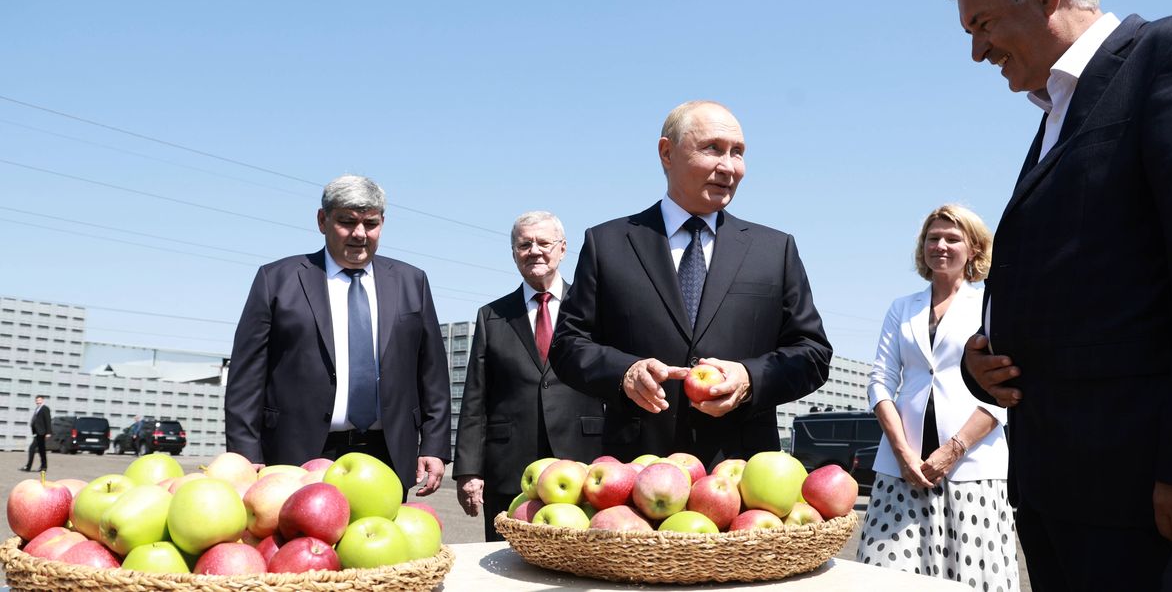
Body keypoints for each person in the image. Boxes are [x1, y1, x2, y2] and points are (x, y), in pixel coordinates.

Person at [943, 0, 1172, 589]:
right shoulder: (1055, 113)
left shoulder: (1171, 54)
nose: (976, 51)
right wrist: (982, 362)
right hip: (1057, 490)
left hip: (1141, 495)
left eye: (982, 24)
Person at [551, 100, 832, 466]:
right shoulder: (607, 244)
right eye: (713, 148)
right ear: (667, 153)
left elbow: (812, 353)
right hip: (637, 472)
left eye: (737, 152)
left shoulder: (775, 250)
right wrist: (625, 373)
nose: (728, 166)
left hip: (742, 476)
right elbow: (568, 345)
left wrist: (749, 378)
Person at [225, 174, 452, 499]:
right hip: (298, 455)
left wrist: (434, 444)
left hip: (387, 454)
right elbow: (246, 378)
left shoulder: (411, 282)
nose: (360, 233)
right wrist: (245, 454)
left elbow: (432, 374)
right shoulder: (276, 280)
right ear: (323, 221)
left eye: (370, 224)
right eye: (347, 222)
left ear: (382, 223)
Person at [856, 205, 1016, 590]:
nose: (940, 245)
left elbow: (1001, 390)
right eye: (933, 238)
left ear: (974, 249)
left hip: (972, 467)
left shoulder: (990, 305)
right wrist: (902, 453)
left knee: (972, 576)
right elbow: (880, 381)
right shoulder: (901, 307)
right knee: (886, 576)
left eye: (952, 238)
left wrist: (953, 449)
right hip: (903, 469)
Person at [452, 211, 605, 541]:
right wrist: (468, 470)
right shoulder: (492, 316)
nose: (534, 251)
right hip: (510, 466)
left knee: (579, 557)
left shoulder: (595, 309)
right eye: (524, 244)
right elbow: (475, 398)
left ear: (562, 248)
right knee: (505, 558)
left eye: (544, 243)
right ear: (514, 253)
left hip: (583, 461)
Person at [21, 395, 51, 472]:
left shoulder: (45, 408)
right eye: (37, 400)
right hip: (38, 432)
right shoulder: (37, 408)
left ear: (43, 400)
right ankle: (43, 467)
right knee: (41, 450)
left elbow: (48, 420)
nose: (38, 402)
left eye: (39, 400)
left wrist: (48, 432)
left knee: (32, 448)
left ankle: (28, 467)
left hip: (42, 433)